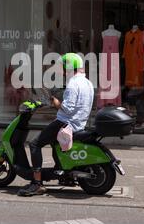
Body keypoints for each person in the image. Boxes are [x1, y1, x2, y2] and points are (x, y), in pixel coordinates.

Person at [17, 53, 94, 196]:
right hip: (79, 124)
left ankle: (37, 184)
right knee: (53, 142)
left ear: (69, 67)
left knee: (35, 144)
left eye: (64, 68)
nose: (63, 71)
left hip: (65, 124)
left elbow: (68, 109)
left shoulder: (73, 83)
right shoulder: (88, 83)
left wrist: (56, 103)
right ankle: (65, 176)